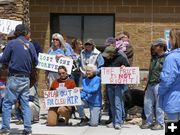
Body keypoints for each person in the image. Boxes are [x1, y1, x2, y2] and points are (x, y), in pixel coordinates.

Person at [0, 24, 38, 135]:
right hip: (25, 79)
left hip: (14, 78)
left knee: (7, 104)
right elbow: (36, 62)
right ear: (25, 33)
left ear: (16, 33)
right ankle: (27, 129)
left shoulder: (11, 44)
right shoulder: (30, 45)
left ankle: (5, 129)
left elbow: (3, 59)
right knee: (25, 103)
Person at [140, 38, 167, 130]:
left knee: (159, 105)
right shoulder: (154, 57)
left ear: (161, 47)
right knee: (147, 103)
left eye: (156, 46)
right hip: (150, 83)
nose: (154, 47)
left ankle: (160, 123)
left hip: (159, 84)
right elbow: (151, 71)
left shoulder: (167, 58)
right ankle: (149, 122)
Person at [102, 46, 130, 130]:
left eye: (107, 55)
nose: (106, 56)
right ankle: (114, 121)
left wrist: (124, 68)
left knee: (118, 103)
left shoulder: (121, 58)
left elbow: (128, 68)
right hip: (110, 84)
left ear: (112, 54)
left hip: (119, 85)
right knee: (112, 104)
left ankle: (118, 122)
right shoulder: (107, 60)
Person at [158, 28, 180, 122]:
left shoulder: (171, 58)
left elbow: (167, 80)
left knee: (172, 126)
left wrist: (160, 91)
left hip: (173, 98)